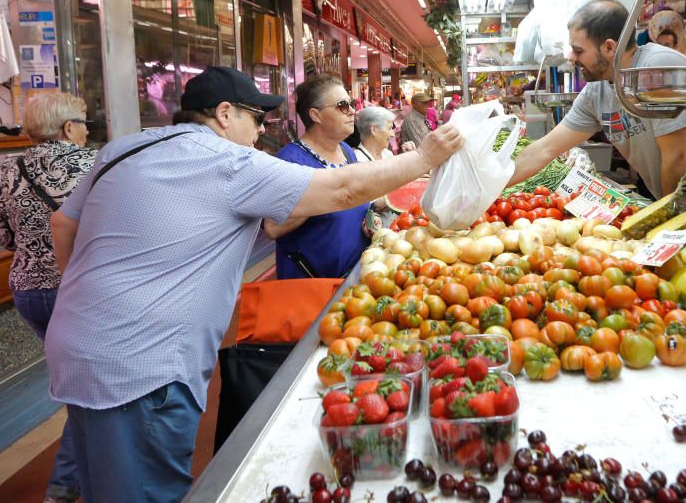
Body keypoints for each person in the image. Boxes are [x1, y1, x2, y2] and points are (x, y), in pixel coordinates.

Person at [46, 66, 462, 503]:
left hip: (75, 343)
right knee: (148, 490)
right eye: (256, 118)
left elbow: (63, 224)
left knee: (105, 483)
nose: (261, 131)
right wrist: (425, 157)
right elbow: (341, 191)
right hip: (144, 364)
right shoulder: (230, 163)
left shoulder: (123, 148)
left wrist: (88, 301)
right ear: (225, 114)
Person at [509, 0, 686, 239]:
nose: (572, 58)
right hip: (684, 207)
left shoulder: (658, 68)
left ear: (609, 48)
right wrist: (490, 186)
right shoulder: (596, 92)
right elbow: (545, 149)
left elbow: (677, 158)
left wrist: (666, 226)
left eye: (578, 50)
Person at [0, 92, 96, 503]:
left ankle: (74, 478)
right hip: (82, 289)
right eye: (84, 122)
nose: (87, 130)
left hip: (30, 292)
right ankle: (65, 486)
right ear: (69, 128)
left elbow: (0, 237)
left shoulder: (5, 170)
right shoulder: (92, 164)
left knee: (76, 382)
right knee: (86, 387)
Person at [265, 75, 367, 279]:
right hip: (313, 285)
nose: (352, 111)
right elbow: (273, 227)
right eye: (342, 106)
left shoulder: (347, 150)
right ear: (316, 115)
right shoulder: (290, 161)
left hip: (354, 275)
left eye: (352, 104)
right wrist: (323, 192)